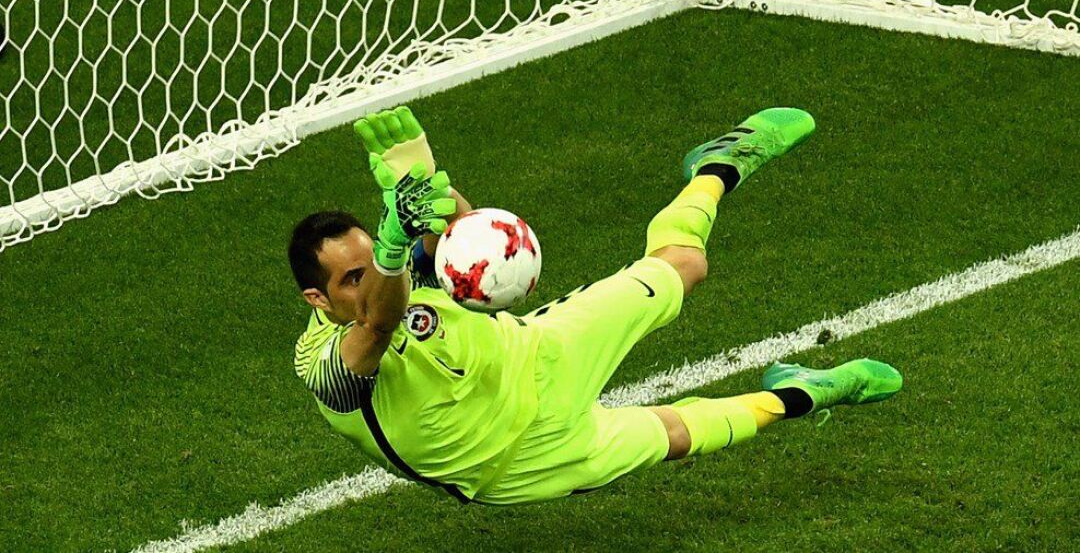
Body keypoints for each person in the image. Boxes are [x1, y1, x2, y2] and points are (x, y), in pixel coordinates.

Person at [288, 106, 902, 504]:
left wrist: (425, 187)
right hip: (515, 460)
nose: (370, 280)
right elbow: (377, 324)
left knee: (685, 267)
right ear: (317, 297)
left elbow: (470, 242)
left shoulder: (399, 270)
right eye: (351, 279)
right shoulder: (322, 365)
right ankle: (804, 392)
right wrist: (391, 249)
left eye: (372, 263)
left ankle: (716, 165)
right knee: (675, 432)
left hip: (533, 353)